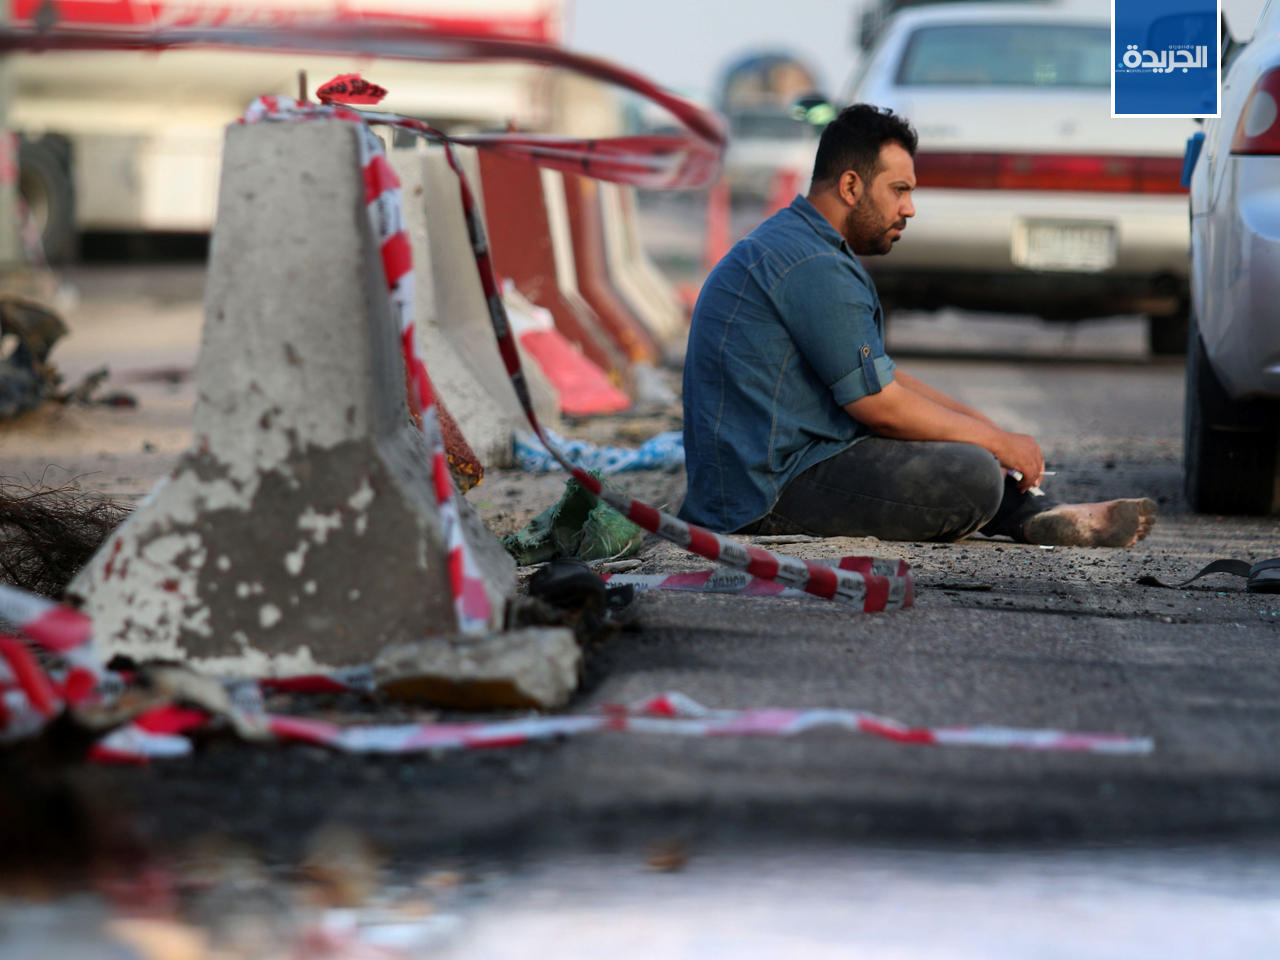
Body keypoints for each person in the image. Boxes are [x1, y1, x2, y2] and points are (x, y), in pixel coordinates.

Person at [679, 103, 1156, 547]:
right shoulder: (813, 265)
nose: (909, 208)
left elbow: (879, 375)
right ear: (850, 187)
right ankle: (1027, 514)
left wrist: (979, 426)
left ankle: (1036, 515)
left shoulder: (802, 245)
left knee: (967, 444)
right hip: (764, 494)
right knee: (971, 473)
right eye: (899, 190)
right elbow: (879, 405)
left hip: (777, 469)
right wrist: (990, 442)